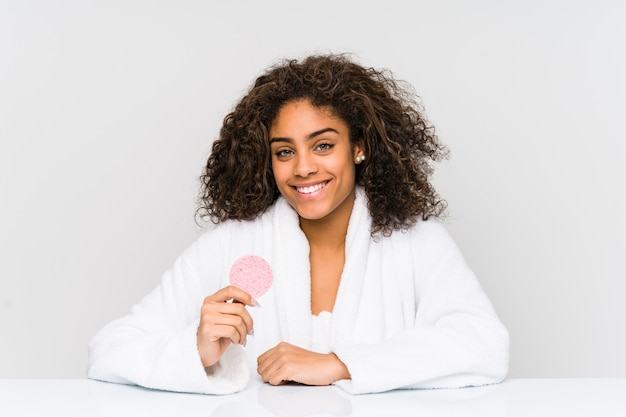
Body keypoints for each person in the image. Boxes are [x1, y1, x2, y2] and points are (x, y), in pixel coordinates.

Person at [87, 53, 509, 395]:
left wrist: (338, 365)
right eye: (284, 152)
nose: (304, 168)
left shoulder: (417, 243)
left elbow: (484, 344)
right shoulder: (231, 244)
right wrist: (196, 351)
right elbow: (108, 350)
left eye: (323, 145)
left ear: (358, 148)